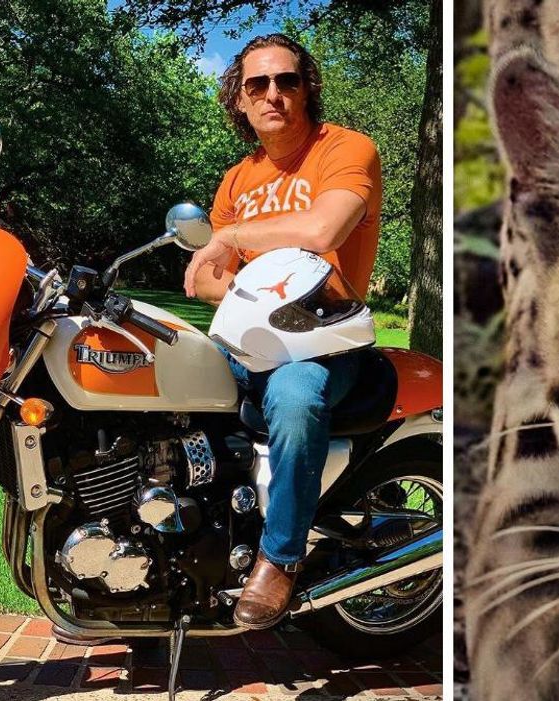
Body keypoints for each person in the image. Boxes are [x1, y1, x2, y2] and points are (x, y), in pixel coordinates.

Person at [183, 33, 382, 629]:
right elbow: (207, 283)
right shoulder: (235, 180)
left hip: (325, 337)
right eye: (257, 84)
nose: (273, 94)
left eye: (286, 81)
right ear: (239, 101)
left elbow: (324, 230)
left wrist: (238, 240)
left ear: (306, 89)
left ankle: (280, 558)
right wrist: (235, 263)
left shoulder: (346, 149)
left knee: (295, 399)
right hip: (251, 337)